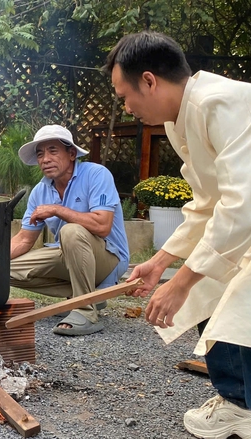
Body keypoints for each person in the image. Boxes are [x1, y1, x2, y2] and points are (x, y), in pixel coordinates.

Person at [108, 31, 251, 439]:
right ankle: (238, 402)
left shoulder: (219, 103)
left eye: (124, 96)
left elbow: (241, 206)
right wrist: (160, 262)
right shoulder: (179, 120)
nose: (127, 107)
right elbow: (207, 203)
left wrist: (182, 281)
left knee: (233, 298)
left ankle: (244, 405)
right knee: (211, 284)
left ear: (149, 81)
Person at [10, 124, 130, 336]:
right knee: (0, 269)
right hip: (68, 256)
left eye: (53, 151)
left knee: (71, 232)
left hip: (109, 258)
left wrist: (57, 210)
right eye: (40, 154)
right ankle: (84, 296)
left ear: (72, 154)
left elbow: (102, 226)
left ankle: (85, 311)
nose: (45, 159)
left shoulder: (96, 174)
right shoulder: (39, 191)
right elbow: (23, 240)